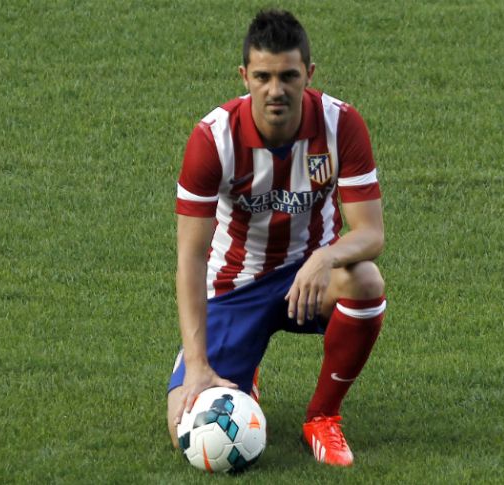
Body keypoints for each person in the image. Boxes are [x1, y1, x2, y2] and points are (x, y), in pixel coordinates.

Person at [166, 9, 386, 467]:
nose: (275, 90)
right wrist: (198, 364)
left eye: (288, 76)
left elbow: (371, 233)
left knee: (365, 281)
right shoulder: (213, 138)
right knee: (184, 431)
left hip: (310, 279)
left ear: (309, 73)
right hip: (234, 286)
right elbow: (190, 257)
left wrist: (324, 258)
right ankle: (242, 365)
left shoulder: (341, 124)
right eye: (263, 77)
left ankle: (322, 417)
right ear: (244, 76)